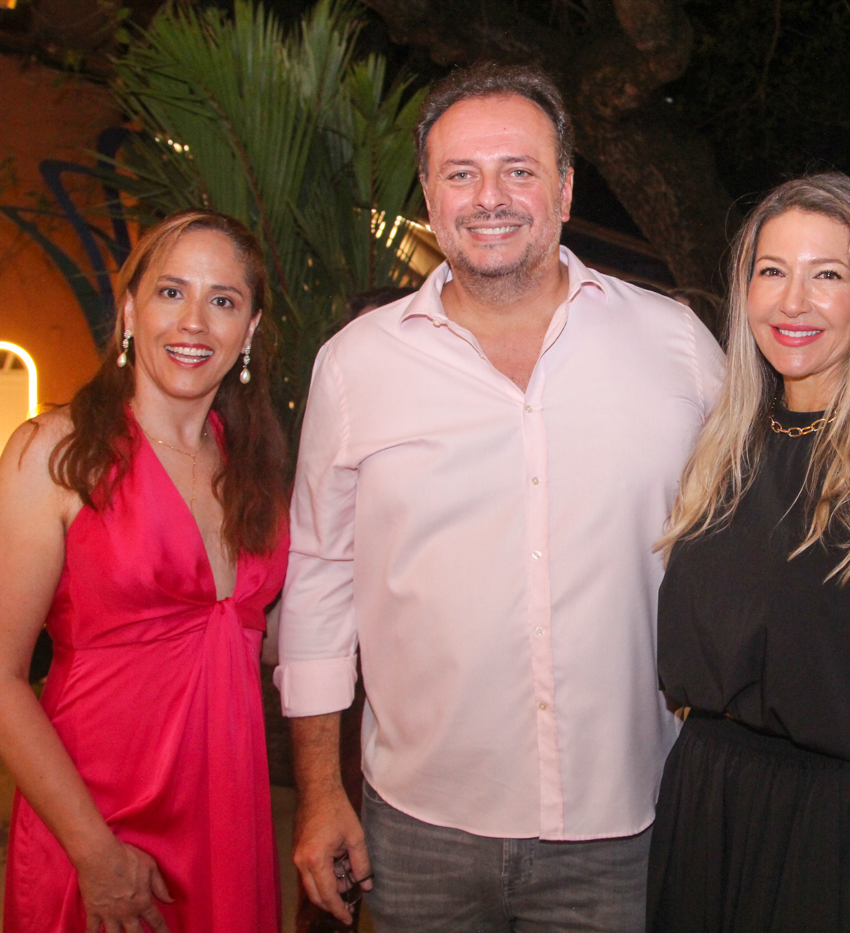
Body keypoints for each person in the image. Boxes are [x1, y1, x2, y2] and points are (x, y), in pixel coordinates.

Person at [276, 62, 725, 932]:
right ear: (430, 195)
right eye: (461, 173)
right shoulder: (355, 366)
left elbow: (761, 518)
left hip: (624, 824)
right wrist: (322, 792)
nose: (490, 197)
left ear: (564, 189)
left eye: (518, 170)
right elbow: (320, 582)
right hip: (417, 828)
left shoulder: (674, 346)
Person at [649, 173, 850, 933]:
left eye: (827, 275)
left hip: (829, 832)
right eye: (772, 271)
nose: (793, 302)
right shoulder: (721, 451)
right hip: (703, 807)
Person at [0, 209, 288, 932]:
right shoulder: (54, 452)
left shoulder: (255, 472)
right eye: (171, 292)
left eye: (223, 300)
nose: (194, 322)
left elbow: (272, 641)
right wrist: (94, 852)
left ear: (249, 329)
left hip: (227, 819)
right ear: (130, 310)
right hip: (95, 823)